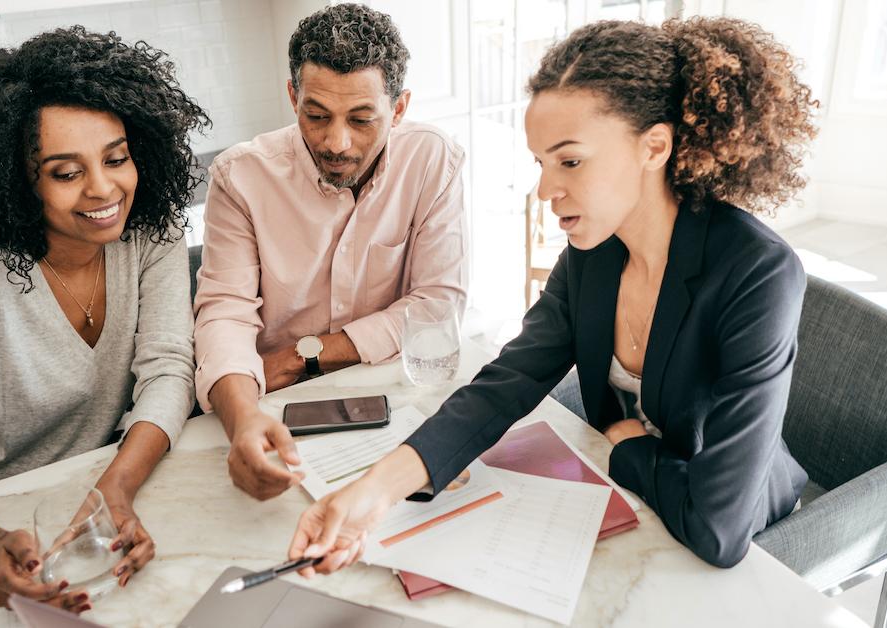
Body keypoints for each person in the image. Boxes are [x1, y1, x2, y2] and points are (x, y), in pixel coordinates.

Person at [286, 16, 819, 574]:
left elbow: (719, 531)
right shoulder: (595, 253)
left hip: (744, 542)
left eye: (570, 161)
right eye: (541, 163)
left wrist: (627, 445)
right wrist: (372, 494)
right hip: (636, 502)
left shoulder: (756, 273)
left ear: (654, 146)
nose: (546, 190)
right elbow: (508, 380)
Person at [0, 27, 207, 613]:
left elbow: (168, 371)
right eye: (66, 172)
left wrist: (116, 489)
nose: (104, 188)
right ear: (17, 181)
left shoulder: (152, 234)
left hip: (113, 482)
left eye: (116, 158)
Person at [194, 4, 468, 501]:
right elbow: (224, 314)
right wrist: (242, 424)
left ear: (399, 109)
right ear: (292, 96)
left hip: (392, 394)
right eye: (315, 116)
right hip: (275, 405)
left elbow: (437, 306)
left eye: (362, 120)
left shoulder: (433, 159)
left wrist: (306, 355)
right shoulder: (240, 177)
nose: (336, 142)